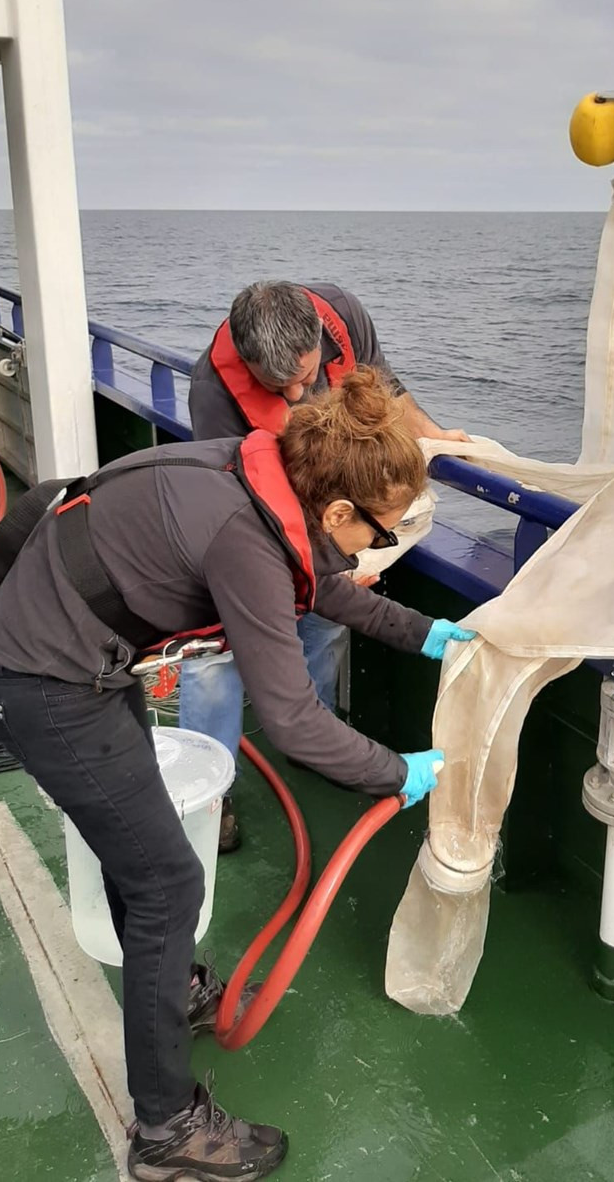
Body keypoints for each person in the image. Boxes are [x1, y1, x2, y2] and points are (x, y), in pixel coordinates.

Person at [0, 368, 474, 1182]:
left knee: (146, 852)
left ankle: (174, 990)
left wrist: (424, 634)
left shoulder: (271, 473)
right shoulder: (248, 540)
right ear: (339, 510)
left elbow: (327, 589)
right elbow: (295, 723)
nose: (382, 547)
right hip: (44, 683)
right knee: (168, 882)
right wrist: (396, 770)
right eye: (383, 534)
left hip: (78, 659)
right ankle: (166, 1135)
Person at [185, 280, 470, 851]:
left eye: (305, 375)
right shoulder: (213, 394)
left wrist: (436, 437)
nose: (296, 395)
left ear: (320, 339)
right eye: (278, 386)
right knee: (213, 653)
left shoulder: (343, 316)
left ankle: (317, 745)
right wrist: (322, 567)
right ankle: (206, 796)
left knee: (324, 625)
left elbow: (385, 390)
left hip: (324, 521)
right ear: (245, 362)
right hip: (250, 532)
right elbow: (241, 510)